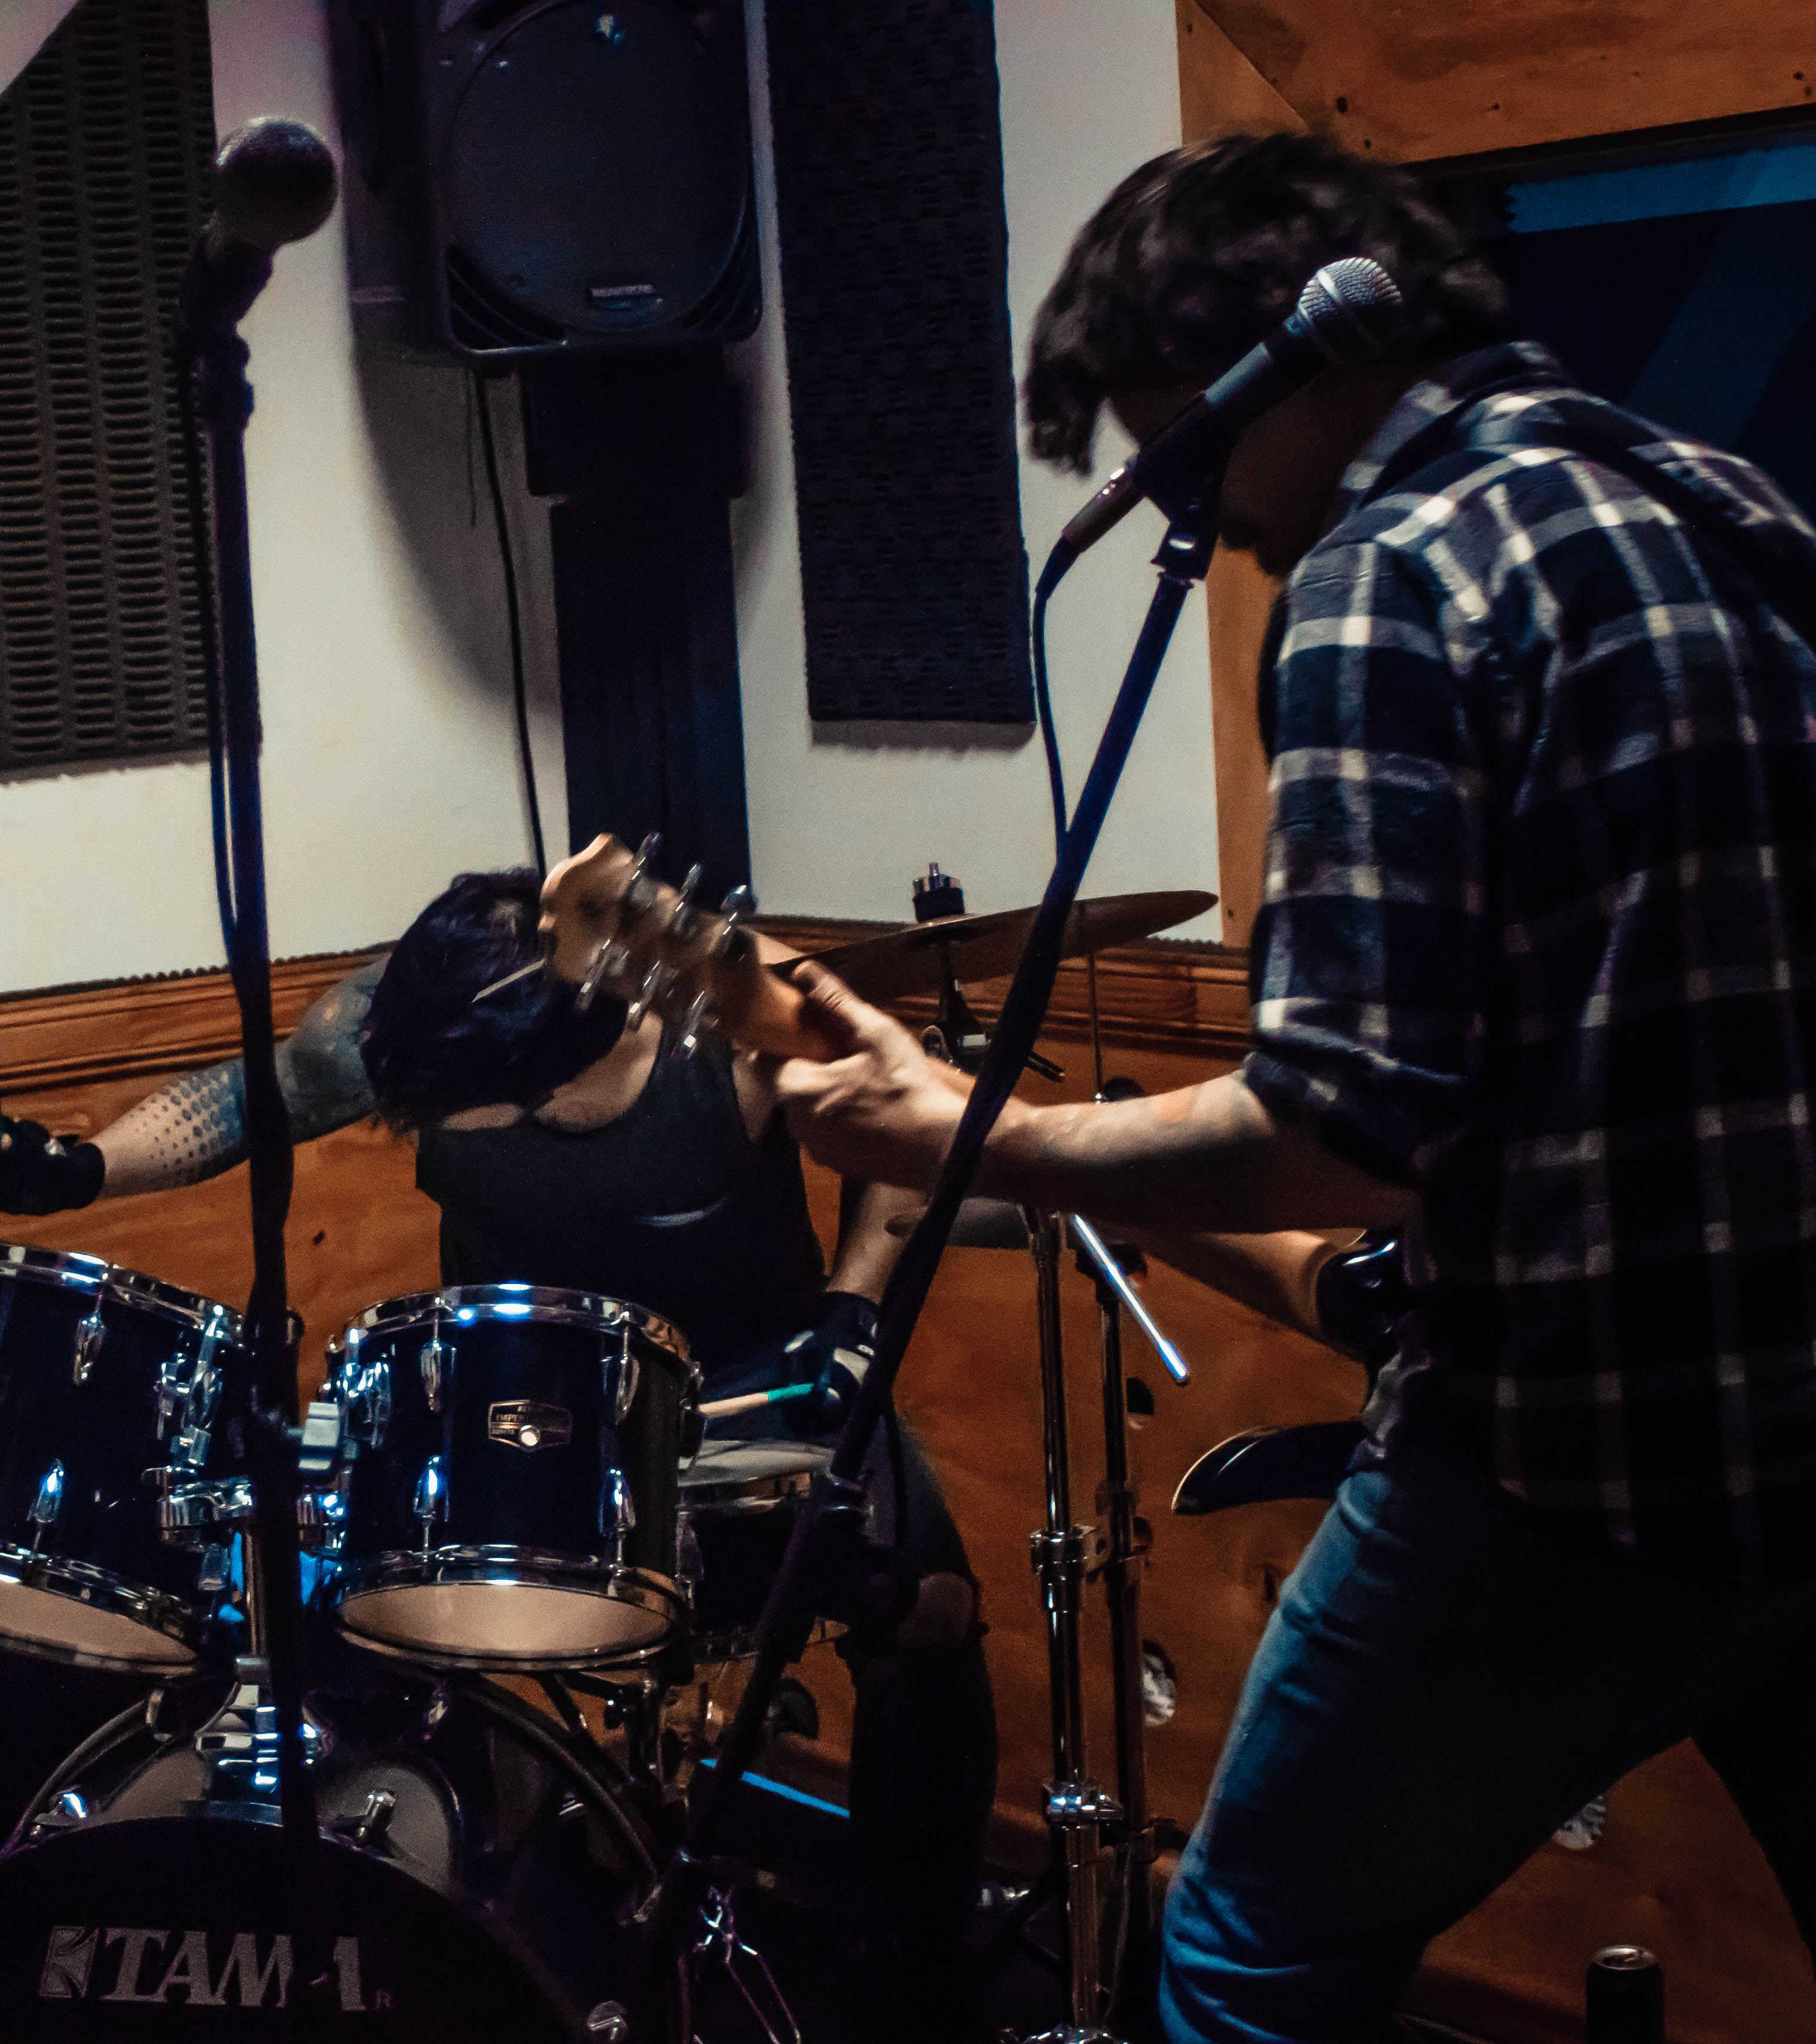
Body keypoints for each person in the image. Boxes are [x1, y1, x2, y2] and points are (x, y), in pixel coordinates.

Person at [766, 134, 1816, 2040]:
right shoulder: (1732, 509)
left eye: (1173, 445)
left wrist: (963, 1131)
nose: (1198, 511)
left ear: (1266, 358)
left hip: (1567, 1471)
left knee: (1249, 1955)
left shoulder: (1391, 575)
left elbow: (1345, 1125)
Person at [0, 868, 999, 2034]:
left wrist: (855, 1310)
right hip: (520, 1396)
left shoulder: (718, 1014)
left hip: (758, 1378)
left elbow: (893, 1120)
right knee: (318, 1571)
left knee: (930, 1606)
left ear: (565, 1058)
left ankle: (912, 1971)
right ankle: (413, 1900)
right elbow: (252, 1098)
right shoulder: (420, 1012)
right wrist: (82, 1165)